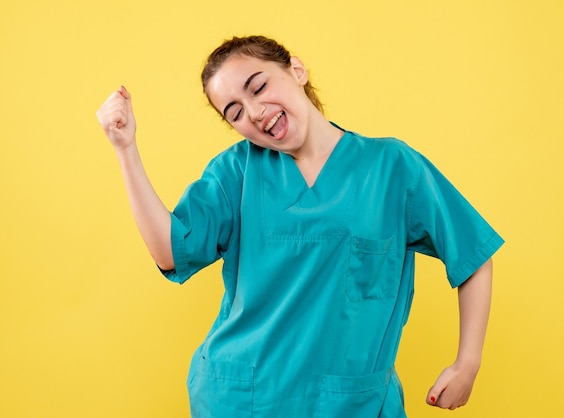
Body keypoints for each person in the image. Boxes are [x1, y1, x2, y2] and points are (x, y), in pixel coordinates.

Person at [96, 35, 504, 417]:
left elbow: (471, 252)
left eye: (257, 87)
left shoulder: (392, 167)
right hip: (242, 399)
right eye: (234, 112)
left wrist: (468, 363)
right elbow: (169, 250)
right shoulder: (236, 172)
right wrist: (125, 149)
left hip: (352, 402)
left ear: (296, 71)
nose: (253, 112)